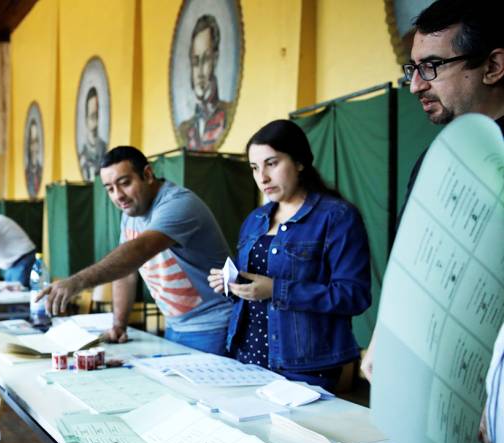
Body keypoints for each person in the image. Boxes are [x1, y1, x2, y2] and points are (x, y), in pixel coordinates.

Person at [360, 0, 504, 382]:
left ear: (492, 67)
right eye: (413, 68)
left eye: (432, 67)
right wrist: (385, 333)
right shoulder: (435, 157)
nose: (415, 84)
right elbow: (415, 264)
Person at [208, 120, 371, 391]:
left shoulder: (337, 217)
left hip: (305, 364)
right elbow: (255, 283)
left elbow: (354, 296)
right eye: (254, 168)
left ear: (299, 162)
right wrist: (232, 285)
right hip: (245, 355)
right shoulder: (255, 219)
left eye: (271, 163)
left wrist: (277, 290)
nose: (263, 177)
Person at [40, 146, 232, 355]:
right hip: (175, 326)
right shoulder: (131, 212)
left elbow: (139, 251)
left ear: (147, 175)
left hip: (213, 326)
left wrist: (78, 281)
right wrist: (119, 325)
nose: (118, 196)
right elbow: (127, 273)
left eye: (125, 183)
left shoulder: (179, 204)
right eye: (110, 189)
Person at [176, 14, 231, 152]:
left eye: (206, 59)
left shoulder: (228, 112)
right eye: (195, 62)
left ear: (216, 59)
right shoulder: (184, 129)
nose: (199, 72)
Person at [78, 87, 108, 181]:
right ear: (86, 119)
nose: (96, 123)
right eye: (92, 117)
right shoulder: (83, 155)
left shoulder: (103, 147)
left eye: (97, 116)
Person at [25, 117, 43, 197]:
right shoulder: (27, 172)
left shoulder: (40, 170)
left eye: (36, 141)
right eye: (32, 142)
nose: (34, 146)